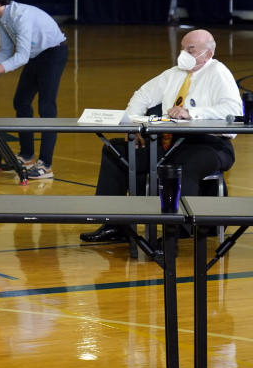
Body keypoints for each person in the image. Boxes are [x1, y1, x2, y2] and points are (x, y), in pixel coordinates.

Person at [80, 29, 242, 243]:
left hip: (208, 144)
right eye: (182, 48)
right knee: (116, 151)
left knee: (182, 167)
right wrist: (133, 124)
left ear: (208, 54)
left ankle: (176, 232)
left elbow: (233, 111)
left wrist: (192, 113)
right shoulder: (173, 73)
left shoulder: (218, 73)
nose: (183, 53)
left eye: (190, 49)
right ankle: (116, 225)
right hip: (170, 142)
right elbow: (143, 95)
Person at [0, 0, 68, 179]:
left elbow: (22, 56)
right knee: (21, 101)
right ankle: (26, 155)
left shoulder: (20, 16)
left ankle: (46, 165)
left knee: (46, 106)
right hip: (35, 55)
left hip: (53, 53)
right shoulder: (0, 17)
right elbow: (7, 49)